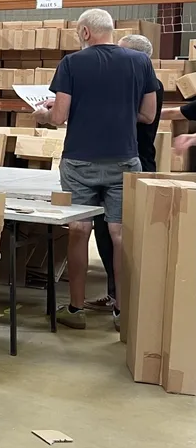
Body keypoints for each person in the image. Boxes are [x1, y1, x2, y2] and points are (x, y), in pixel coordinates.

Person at [33, 9, 158, 331]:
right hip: (124, 160)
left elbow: (58, 117)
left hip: (79, 161)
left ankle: (76, 310)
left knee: (79, 230)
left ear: (86, 32)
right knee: (120, 234)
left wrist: (42, 114)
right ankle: (122, 312)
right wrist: (117, 113)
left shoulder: (72, 63)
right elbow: (148, 114)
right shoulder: (140, 62)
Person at [85, 34, 162, 322]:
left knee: (118, 232)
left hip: (132, 163)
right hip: (117, 162)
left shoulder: (146, 84)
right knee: (104, 231)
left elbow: (146, 116)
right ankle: (115, 294)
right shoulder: (132, 81)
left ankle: (123, 299)